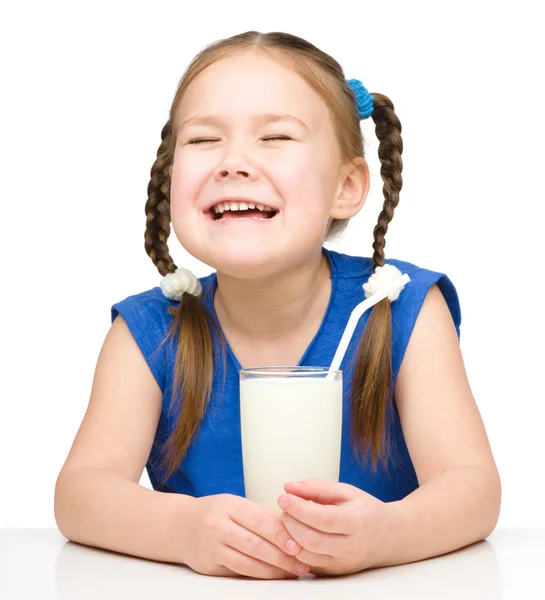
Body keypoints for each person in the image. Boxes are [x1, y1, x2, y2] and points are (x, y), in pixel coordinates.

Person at [54, 30, 501, 580]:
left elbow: (473, 487)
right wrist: (181, 530)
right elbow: (80, 494)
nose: (233, 161)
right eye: (202, 141)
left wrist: (387, 535)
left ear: (347, 186)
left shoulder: (401, 310)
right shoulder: (149, 332)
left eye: (275, 137)